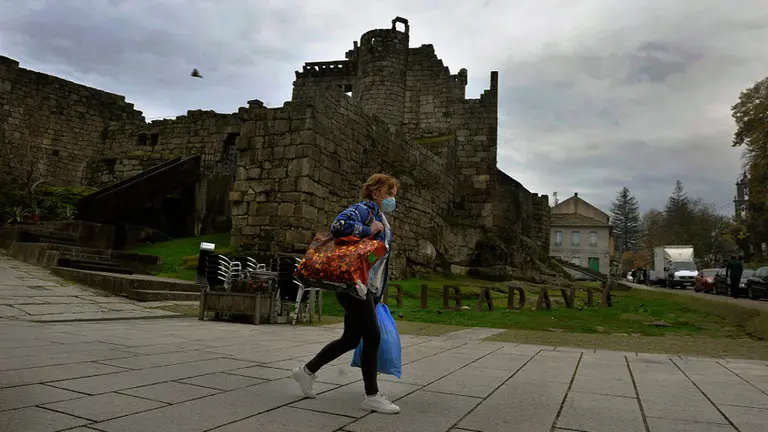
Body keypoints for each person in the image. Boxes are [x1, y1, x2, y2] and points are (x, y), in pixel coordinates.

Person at [292, 173, 401, 414]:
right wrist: (367, 228)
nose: (394, 198)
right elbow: (339, 226)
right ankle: (372, 395)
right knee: (372, 336)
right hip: (353, 285)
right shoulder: (365, 209)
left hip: (365, 288)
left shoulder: (381, 216)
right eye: (390, 193)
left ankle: (306, 371)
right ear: (377, 193)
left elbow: (377, 261)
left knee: (351, 339)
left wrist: (377, 292)